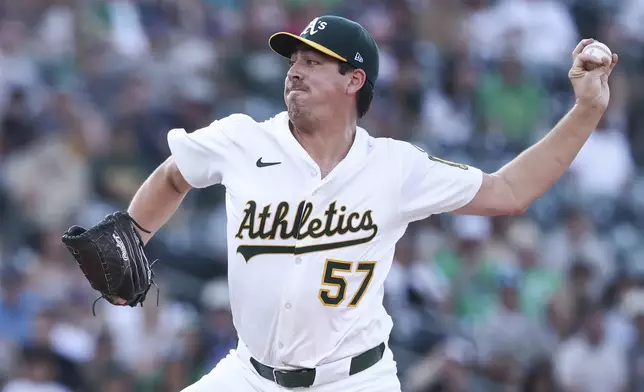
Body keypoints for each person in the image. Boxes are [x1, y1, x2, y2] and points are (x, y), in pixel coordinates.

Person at [124, 15, 618, 392]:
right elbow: (173, 175)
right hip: (249, 376)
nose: (295, 71)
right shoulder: (241, 139)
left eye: (313, 62)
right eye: (294, 60)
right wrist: (131, 238)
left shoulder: (394, 167)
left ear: (353, 81)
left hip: (353, 380)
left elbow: (510, 191)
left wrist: (586, 110)